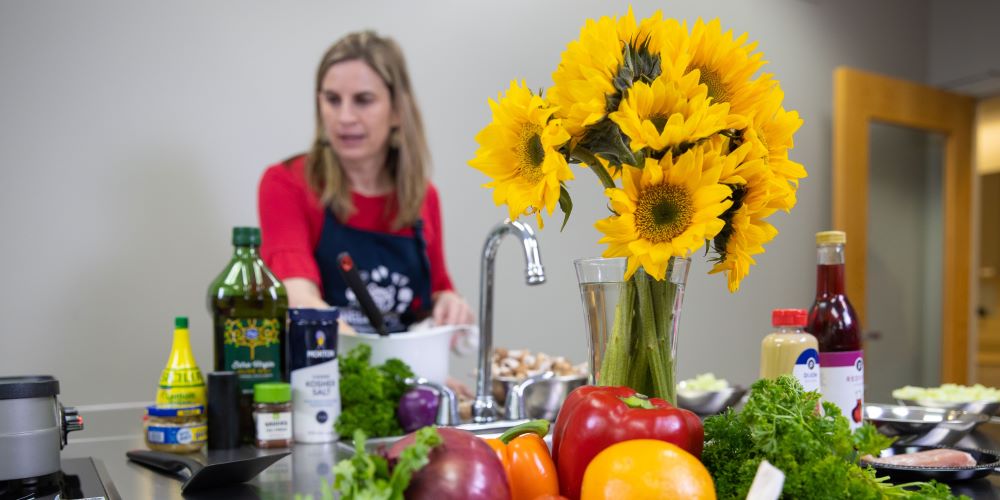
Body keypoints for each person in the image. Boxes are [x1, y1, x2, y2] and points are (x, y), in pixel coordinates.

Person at [258, 31, 474, 334]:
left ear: (397, 110)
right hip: (320, 377)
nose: (344, 117)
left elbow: (436, 294)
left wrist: (450, 305)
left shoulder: (424, 197)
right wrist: (387, 366)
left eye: (363, 100)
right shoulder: (287, 183)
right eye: (333, 100)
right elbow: (297, 298)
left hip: (403, 377)